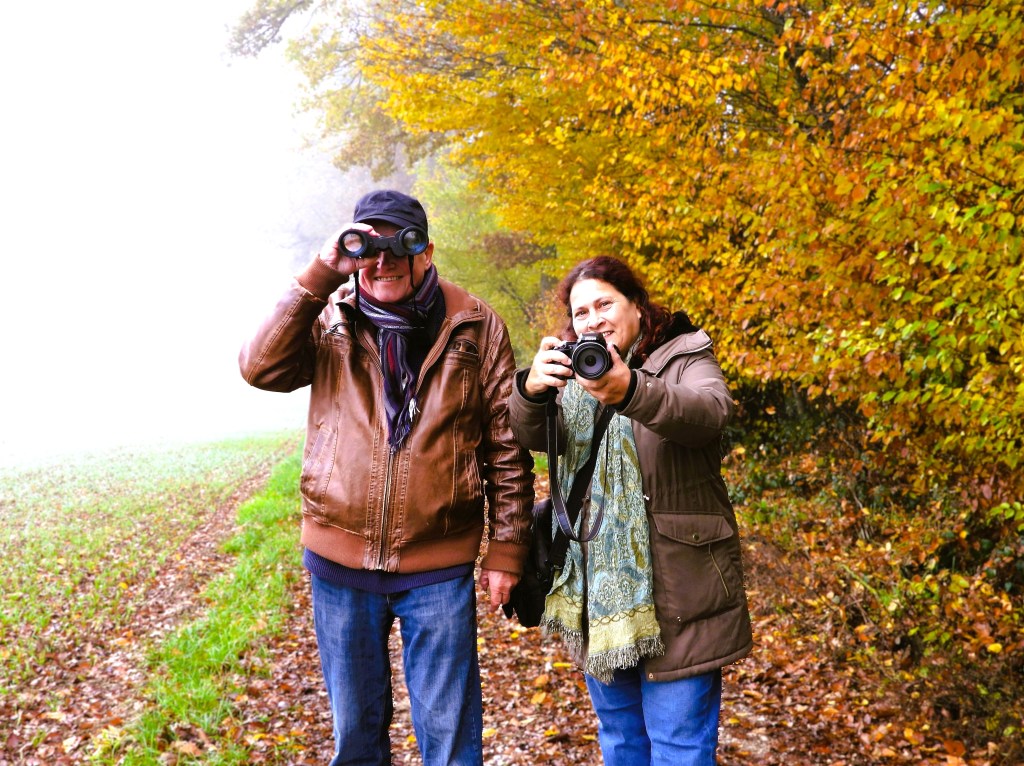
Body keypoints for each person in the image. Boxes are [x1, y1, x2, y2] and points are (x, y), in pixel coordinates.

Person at [239, 189, 534, 765]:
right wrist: (321, 275)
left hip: (438, 564)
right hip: (339, 564)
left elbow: (505, 445)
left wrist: (507, 548)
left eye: (400, 245)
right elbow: (260, 368)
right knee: (356, 737)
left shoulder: (475, 325)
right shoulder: (331, 320)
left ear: (425, 251)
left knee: (450, 741)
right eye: (368, 247)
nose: (382, 262)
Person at [508, 255, 752, 766]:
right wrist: (531, 391)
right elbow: (533, 439)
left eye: (604, 304)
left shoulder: (685, 355)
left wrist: (632, 391)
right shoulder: (573, 368)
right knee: (620, 741)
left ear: (637, 306)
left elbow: (707, 415)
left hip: (680, 588)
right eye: (580, 312)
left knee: (680, 746)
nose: (593, 320)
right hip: (599, 591)